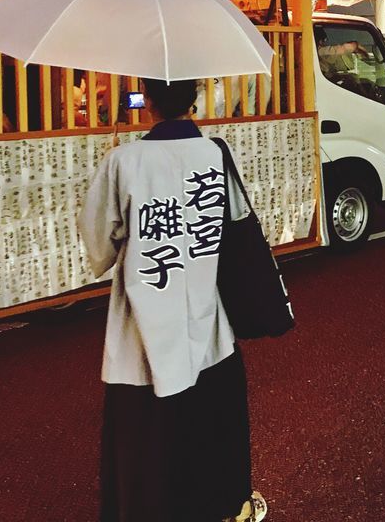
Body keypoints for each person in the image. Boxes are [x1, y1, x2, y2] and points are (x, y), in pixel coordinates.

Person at [79, 77, 267, 522]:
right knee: (210, 424)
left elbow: (98, 250)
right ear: (195, 98)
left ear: (148, 102)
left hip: (141, 328)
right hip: (207, 317)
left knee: (145, 434)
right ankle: (224, 507)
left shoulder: (123, 160)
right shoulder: (214, 153)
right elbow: (234, 227)